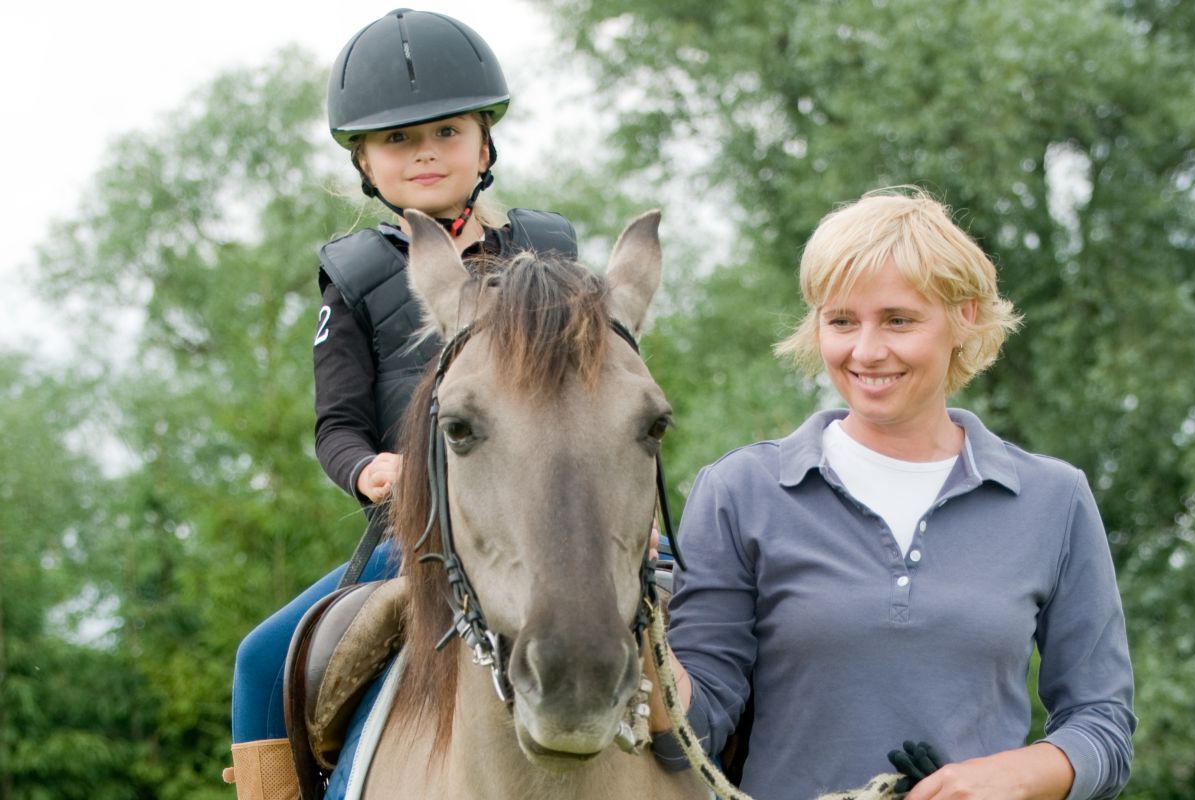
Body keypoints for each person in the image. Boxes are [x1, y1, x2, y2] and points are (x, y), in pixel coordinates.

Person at [648, 188, 1136, 800]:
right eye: (841, 321)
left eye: (898, 320)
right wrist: (627, 613)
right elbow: (690, 733)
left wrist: (1006, 778)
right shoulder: (741, 491)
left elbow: (1103, 726)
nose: (867, 351)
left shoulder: (1054, 499)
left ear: (965, 317)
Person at [223, 9, 578, 799]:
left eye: (447, 131)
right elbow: (337, 427)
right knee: (259, 662)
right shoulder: (354, 279)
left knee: (700, 606)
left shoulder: (550, 257)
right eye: (397, 139)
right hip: (421, 538)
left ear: (484, 144)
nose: (425, 152)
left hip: (560, 521)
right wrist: (368, 471)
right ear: (363, 161)